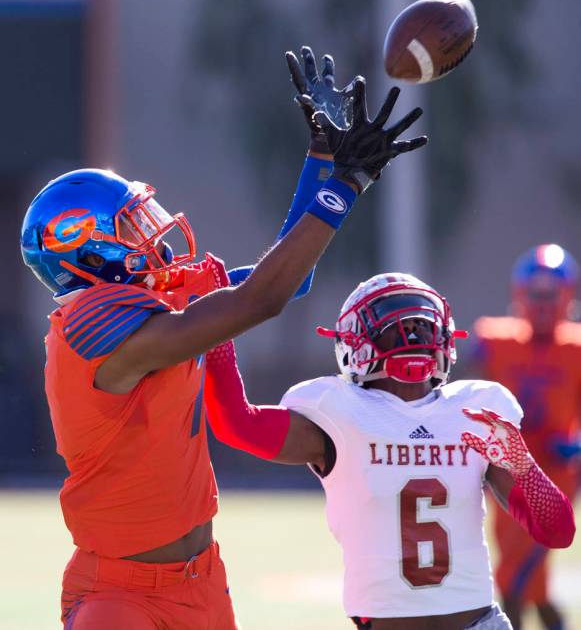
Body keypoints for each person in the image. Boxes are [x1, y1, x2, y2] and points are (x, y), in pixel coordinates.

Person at [20, 47, 427, 630]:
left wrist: (320, 158)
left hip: (201, 581)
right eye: (131, 223)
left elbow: (286, 279)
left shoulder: (153, 304)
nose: (153, 229)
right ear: (83, 248)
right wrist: (347, 184)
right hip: (121, 596)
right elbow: (259, 300)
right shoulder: (89, 325)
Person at [203, 271, 576, 630]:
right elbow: (236, 424)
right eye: (396, 323)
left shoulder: (474, 411)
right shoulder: (339, 412)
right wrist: (219, 316)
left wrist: (524, 466)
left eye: (419, 323)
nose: (410, 331)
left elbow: (558, 532)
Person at [471, 244, 581, 630]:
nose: (543, 303)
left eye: (551, 293)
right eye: (536, 293)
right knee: (520, 578)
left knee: (517, 577)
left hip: (554, 476)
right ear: (520, 294)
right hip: (505, 475)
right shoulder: (495, 342)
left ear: (568, 295)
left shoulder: (576, 348)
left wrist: (576, 442)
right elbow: (473, 396)